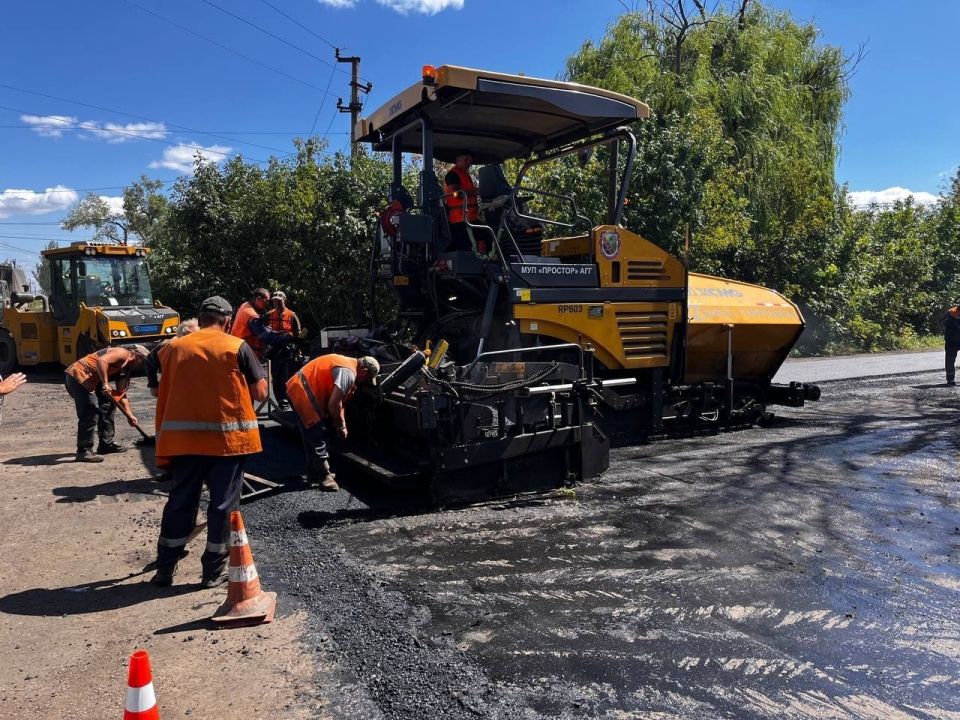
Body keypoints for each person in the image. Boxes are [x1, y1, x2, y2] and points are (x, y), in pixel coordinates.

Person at [151, 296, 268, 588]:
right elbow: (261, 393)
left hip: (183, 443)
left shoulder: (174, 347)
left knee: (180, 501)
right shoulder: (235, 346)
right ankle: (212, 572)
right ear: (227, 322)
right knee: (222, 506)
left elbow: (148, 360)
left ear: (199, 318)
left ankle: (165, 567)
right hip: (226, 443)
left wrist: (155, 385)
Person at [285, 354, 380, 491]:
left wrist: (342, 424)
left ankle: (313, 473)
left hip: (299, 387)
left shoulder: (347, 365)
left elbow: (339, 402)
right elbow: (334, 403)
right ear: (364, 371)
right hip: (303, 392)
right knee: (316, 432)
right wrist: (339, 425)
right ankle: (324, 476)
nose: (365, 381)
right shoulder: (348, 373)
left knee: (310, 434)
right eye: (367, 378)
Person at [64, 345, 147, 462]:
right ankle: (84, 451)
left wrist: (130, 415)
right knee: (90, 410)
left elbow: (121, 394)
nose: (142, 366)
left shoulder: (126, 369)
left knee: (109, 402)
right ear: (137, 355)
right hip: (79, 374)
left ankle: (106, 444)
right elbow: (101, 361)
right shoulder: (122, 353)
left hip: (93, 379)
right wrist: (106, 383)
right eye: (143, 361)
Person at [265, 290, 301, 407]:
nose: (276, 303)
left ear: (284, 301)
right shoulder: (269, 314)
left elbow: (299, 334)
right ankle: (281, 401)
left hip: (288, 351)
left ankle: (290, 401)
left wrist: (292, 340)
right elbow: (263, 331)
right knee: (276, 377)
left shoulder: (292, 315)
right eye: (275, 301)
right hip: (275, 350)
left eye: (279, 301)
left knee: (288, 376)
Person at [145, 318, 199, 397]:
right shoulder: (168, 345)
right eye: (196, 335)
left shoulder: (201, 346)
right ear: (185, 335)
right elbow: (149, 360)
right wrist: (153, 384)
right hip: (173, 387)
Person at [231, 287, 289, 360]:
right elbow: (266, 336)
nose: (267, 304)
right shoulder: (251, 315)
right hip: (246, 355)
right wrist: (286, 338)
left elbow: (258, 330)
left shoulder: (245, 305)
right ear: (258, 298)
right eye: (266, 301)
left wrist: (278, 333)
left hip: (240, 350)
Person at [443, 149, 481, 252]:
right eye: (466, 160)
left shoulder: (464, 174)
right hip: (459, 220)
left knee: (485, 237)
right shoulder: (452, 174)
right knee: (466, 248)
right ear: (458, 159)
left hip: (470, 218)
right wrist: (475, 191)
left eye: (470, 161)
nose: (469, 163)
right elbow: (456, 194)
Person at [944, 304, 960, 386]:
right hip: (951, 340)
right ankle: (950, 379)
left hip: (951, 339)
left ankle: (950, 379)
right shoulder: (951, 312)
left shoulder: (951, 312)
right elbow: (943, 323)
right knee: (950, 360)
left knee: (950, 360)